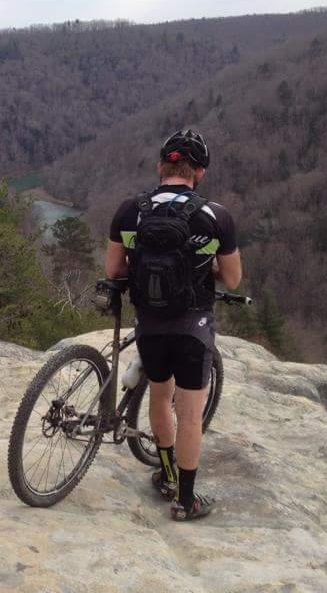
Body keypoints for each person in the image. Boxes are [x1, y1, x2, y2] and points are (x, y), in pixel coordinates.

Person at [105, 129, 241, 521]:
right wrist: (202, 264)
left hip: (150, 322)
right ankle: (185, 500)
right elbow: (232, 279)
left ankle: (164, 476)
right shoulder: (215, 216)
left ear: (160, 166)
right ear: (198, 172)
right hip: (192, 326)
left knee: (160, 398)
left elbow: (114, 269)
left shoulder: (130, 210)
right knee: (190, 413)